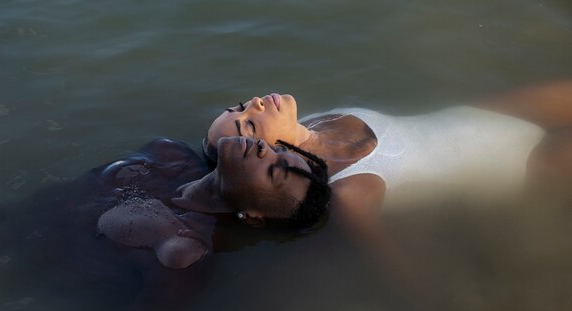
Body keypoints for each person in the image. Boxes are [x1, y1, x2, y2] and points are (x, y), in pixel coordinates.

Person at [0, 136, 331, 299]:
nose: (264, 149)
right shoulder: (169, 154)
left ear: (255, 218)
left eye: (275, 171)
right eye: (276, 148)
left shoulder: (182, 252)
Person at [204, 81, 572, 237]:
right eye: (250, 126)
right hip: (512, 165)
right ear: (262, 154)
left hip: (482, 115)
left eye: (238, 107)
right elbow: (400, 271)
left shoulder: (308, 122)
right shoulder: (347, 192)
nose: (253, 104)